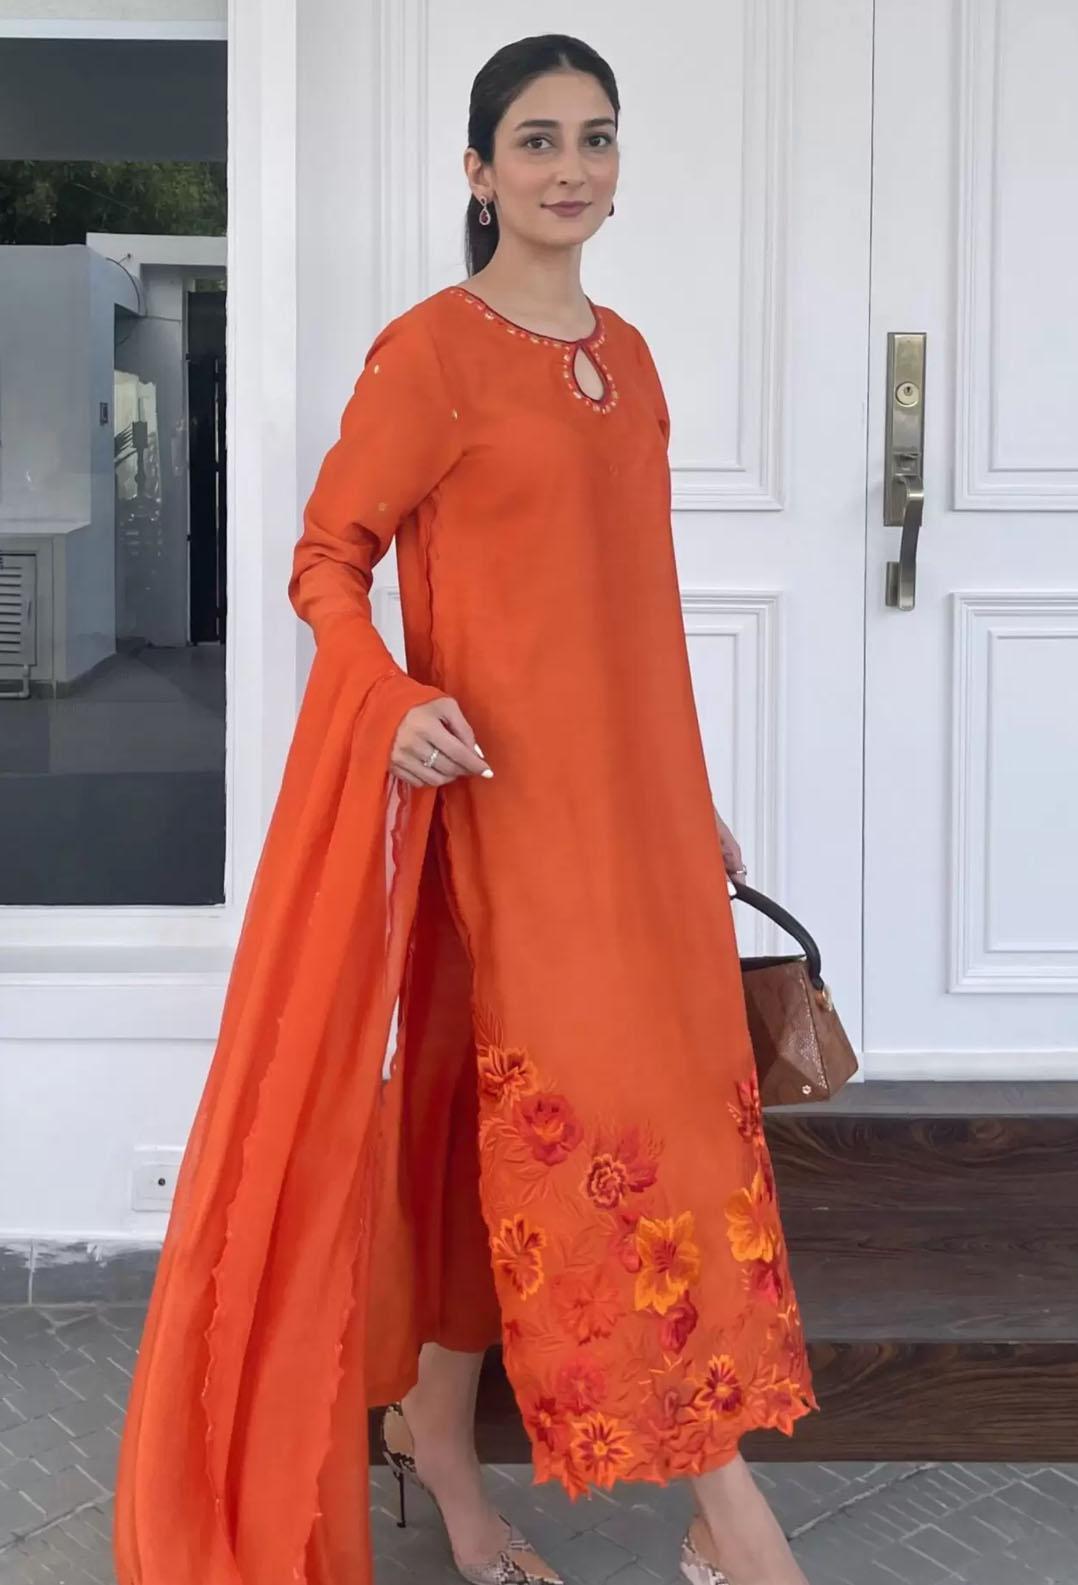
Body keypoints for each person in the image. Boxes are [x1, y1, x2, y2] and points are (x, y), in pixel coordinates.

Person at [113, 31, 818, 1585]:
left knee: (540, 1143)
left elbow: (631, 607)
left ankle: (438, 1438)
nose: (571, 167)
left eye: (595, 137)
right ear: (478, 170)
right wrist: (389, 700)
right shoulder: (431, 354)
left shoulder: (629, 360)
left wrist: (688, 798)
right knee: (607, 1140)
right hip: (510, 825)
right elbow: (324, 559)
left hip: (635, 823)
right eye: (537, 139)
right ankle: (731, 1521)